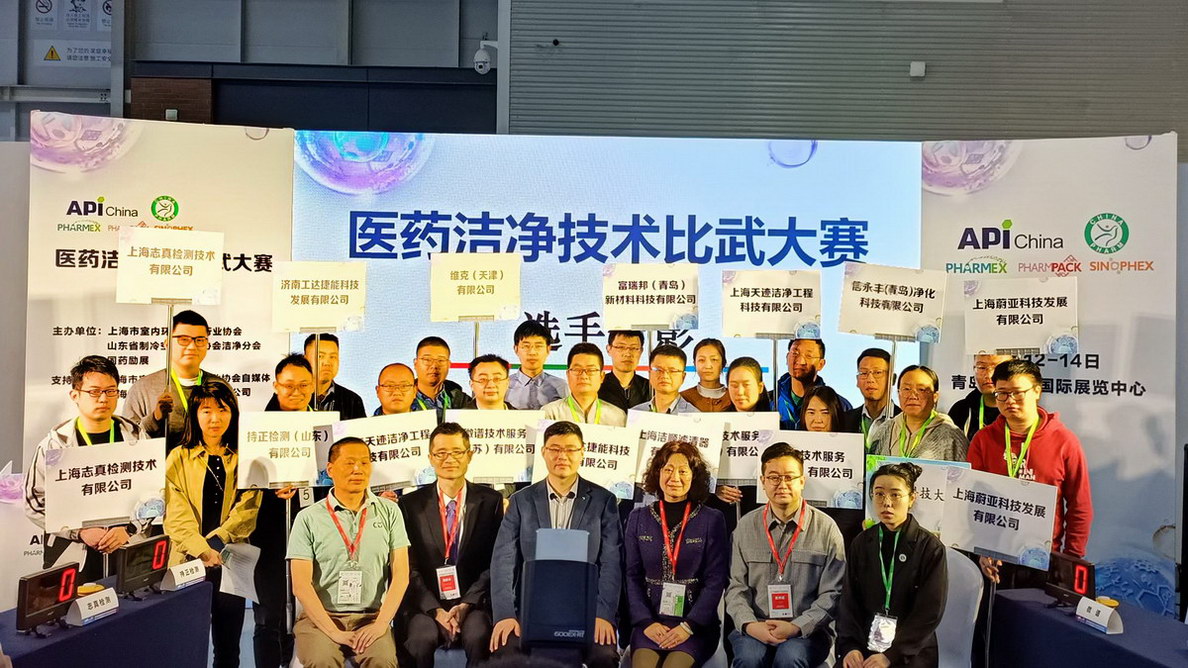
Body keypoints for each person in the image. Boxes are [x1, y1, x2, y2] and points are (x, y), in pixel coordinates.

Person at [489, 421, 623, 668]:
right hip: (532, 609)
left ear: (582, 452)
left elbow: (611, 562)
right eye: (555, 449)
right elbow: (503, 562)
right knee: (506, 649)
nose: (562, 456)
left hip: (585, 609)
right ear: (543, 452)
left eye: (570, 449)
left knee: (603, 655)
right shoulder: (521, 501)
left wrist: (603, 615)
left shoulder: (603, 501)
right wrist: (506, 615)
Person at [164, 381, 262, 668]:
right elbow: (175, 512)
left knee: (228, 648)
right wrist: (202, 549)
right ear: (195, 414)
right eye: (206, 411)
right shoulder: (179, 457)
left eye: (222, 410)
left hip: (232, 559)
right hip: (188, 559)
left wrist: (217, 542)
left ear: (233, 413)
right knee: (184, 645)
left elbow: (248, 509)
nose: (215, 418)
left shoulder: (245, 458)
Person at [289, 437, 410, 668]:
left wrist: (381, 624)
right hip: (321, 619)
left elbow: (401, 574)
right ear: (330, 469)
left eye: (365, 463)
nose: (358, 469)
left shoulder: (390, 511)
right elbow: (300, 585)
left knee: (383, 661)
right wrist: (333, 632)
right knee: (321, 660)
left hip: (371, 617)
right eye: (349, 462)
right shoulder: (308, 518)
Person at [968, 359, 1093, 583]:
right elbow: (973, 499)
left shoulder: (1064, 441)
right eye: (1002, 393)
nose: (1009, 400)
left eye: (1018, 393)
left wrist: (1071, 559)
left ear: (1037, 391)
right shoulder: (983, 439)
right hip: (995, 558)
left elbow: (1079, 506)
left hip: (1044, 559)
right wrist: (981, 548)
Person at [724, 442, 846, 668]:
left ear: (802, 481)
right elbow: (735, 587)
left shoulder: (827, 529)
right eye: (773, 477)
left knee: (789, 657)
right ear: (763, 482)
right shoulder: (745, 527)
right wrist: (750, 625)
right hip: (756, 626)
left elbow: (833, 593)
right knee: (750, 657)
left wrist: (797, 626)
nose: (782, 484)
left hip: (807, 631)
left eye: (789, 477)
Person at [25, 356, 146, 581]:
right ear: (75, 395)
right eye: (94, 392)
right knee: (74, 603)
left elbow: (154, 493)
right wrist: (78, 532)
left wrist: (130, 528)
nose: (103, 398)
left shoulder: (137, 437)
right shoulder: (55, 444)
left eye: (111, 391)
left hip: (126, 545)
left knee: (130, 603)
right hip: (70, 552)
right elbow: (35, 501)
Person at [399, 423, 504, 668]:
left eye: (457, 452)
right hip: (426, 604)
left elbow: (495, 561)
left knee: (479, 636)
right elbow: (408, 566)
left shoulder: (491, 501)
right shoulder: (410, 504)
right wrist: (436, 610)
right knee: (420, 639)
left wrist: (467, 604)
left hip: (473, 601)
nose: (449, 459)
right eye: (441, 453)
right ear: (430, 458)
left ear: (470, 455)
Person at [625, 441, 729, 668]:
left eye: (683, 471)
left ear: (694, 476)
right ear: (658, 473)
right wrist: (645, 621)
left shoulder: (711, 519)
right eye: (668, 469)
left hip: (695, 626)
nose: (675, 477)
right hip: (650, 622)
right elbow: (632, 576)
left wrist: (689, 626)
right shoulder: (638, 518)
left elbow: (716, 579)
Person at [838, 463, 947, 668]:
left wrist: (892, 655)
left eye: (895, 495)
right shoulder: (862, 543)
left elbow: (930, 612)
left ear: (912, 498)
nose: (886, 503)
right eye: (879, 494)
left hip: (911, 650)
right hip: (865, 645)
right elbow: (849, 601)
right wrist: (850, 647)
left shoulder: (930, 547)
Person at [252, 353, 318, 668]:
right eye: (289, 385)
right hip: (269, 534)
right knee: (269, 614)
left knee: (309, 612)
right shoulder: (256, 427)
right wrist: (269, 489)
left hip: (314, 531)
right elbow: (245, 484)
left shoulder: (325, 427)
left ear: (313, 386)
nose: (296, 392)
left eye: (304, 385)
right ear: (276, 386)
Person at [124, 309, 232, 452]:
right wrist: (156, 418)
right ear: (167, 343)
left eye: (200, 340)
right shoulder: (143, 388)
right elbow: (128, 440)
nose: (192, 346)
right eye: (184, 339)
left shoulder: (221, 386)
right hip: (161, 465)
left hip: (210, 464)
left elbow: (233, 434)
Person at [868, 366, 968, 463]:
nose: (912, 396)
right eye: (906, 389)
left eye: (921, 389)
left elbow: (965, 472)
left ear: (935, 396)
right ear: (899, 393)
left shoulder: (951, 436)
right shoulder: (885, 430)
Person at [773, 338, 852, 431]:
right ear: (787, 357)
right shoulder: (770, 401)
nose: (800, 361)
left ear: (821, 364)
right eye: (795, 353)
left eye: (808, 356)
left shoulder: (840, 405)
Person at [541, 343, 628, 426]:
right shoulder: (550, 413)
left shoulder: (617, 416)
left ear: (602, 376)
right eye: (577, 369)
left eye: (591, 370)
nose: (583, 376)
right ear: (568, 375)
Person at [840, 348, 901, 451]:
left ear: (892, 379)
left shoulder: (903, 420)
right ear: (857, 380)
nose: (870, 379)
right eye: (864, 373)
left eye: (877, 373)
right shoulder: (843, 420)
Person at [947, 354, 1013, 442]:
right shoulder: (961, 410)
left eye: (997, 368)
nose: (989, 375)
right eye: (982, 367)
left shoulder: (1023, 409)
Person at [506, 320, 568, 410]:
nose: (532, 352)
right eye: (526, 346)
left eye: (538, 346)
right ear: (516, 349)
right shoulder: (504, 386)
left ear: (548, 349)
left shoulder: (561, 386)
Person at [303, 333, 367, 419]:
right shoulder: (293, 396)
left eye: (333, 357)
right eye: (320, 356)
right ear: (305, 359)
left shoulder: (352, 400)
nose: (327, 363)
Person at [632, 344, 700, 414]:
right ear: (650, 373)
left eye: (672, 371)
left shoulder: (694, 415)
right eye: (658, 370)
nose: (664, 376)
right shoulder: (636, 413)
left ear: (683, 377)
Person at [412, 336, 471, 418]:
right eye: (427, 360)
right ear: (415, 363)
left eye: (441, 360)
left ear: (449, 365)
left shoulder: (463, 401)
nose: (434, 366)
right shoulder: (402, 400)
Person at [600, 330, 651, 411]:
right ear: (608, 349)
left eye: (634, 348)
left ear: (641, 351)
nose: (627, 354)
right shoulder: (598, 386)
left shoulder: (650, 388)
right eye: (621, 347)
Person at [680, 338, 731, 412]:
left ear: (723, 363)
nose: (707, 366)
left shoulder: (735, 397)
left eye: (714, 359)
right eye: (701, 360)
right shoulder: (683, 398)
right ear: (694, 364)